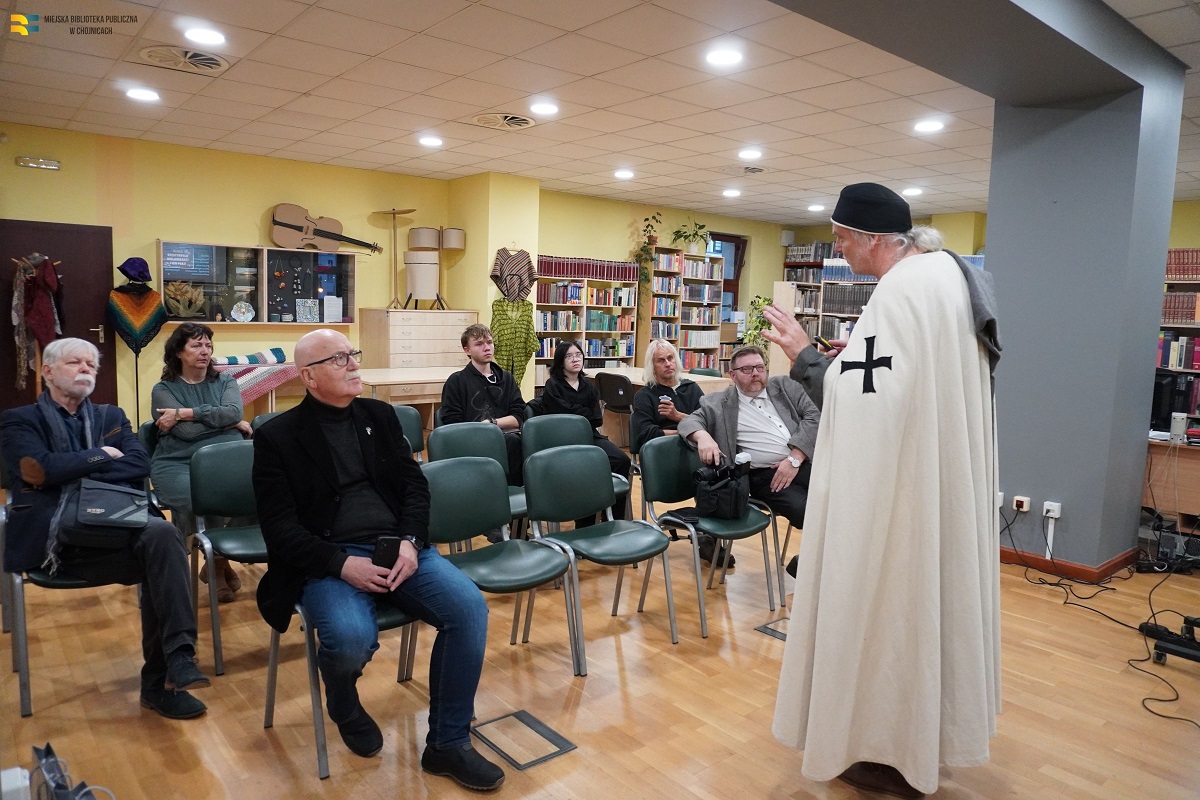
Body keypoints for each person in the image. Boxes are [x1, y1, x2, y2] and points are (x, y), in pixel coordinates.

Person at [766, 182, 1001, 798]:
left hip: (900, 496)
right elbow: (911, 376)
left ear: (873, 239)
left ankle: (888, 745)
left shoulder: (899, 289)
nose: (839, 251)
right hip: (933, 472)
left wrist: (806, 356)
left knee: (890, 603)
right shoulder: (948, 274)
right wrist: (853, 360)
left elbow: (867, 404)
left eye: (842, 239)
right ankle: (924, 734)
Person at [252, 329, 503, 792]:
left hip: (400, 547)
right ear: (308, 377)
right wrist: (341, 565)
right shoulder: (277, 436)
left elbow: (414, 487)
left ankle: (447, 744)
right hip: (331, 559)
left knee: (469, 610)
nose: (353, 364)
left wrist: (410, 541)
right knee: (350, 640)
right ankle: (343, 700)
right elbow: (280, 528)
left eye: (353, 354)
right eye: (338, 359)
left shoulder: (380, 416)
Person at [0, 338, 211, 720]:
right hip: (57, 548)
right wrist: (101, 455)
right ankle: (164, 679)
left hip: (116, 532)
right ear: (47, 371)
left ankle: (176, 661)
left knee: (162, 537)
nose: (86, 369)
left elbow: (139, 464)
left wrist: (71, 469)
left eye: (91, 364)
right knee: (162, 552)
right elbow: (38, 470)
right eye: (75, 362)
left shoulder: (111, 416)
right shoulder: (19, 420)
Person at [676, 345, 818, 566]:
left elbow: (815, 415)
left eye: (760, 368)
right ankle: (811, 566)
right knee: (807, 510)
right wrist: (703, 437)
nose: (755, 373)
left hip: (803, 461)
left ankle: (816, 563)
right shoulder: (717, 403)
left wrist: (795, 457)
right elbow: (689, 422)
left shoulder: (785, 387)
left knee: (841, 498)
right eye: (747, 369)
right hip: (764, 476)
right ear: (732, 375)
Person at [150, 322, 252, 603]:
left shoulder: (225, 381)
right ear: (178, 352)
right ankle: (218, 566)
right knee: (200, 498)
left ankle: (216, 563)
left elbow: (234, 411)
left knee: (255, 491)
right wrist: (227, 423)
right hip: (178, 462)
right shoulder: (163, 389)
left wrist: (185, 413)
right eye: (196, 345)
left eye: (208, 345)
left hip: (225, 459)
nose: (205, 351)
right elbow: (187, 433)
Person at [540, 339, 632, 526]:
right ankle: (584, 523)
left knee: (622, 460)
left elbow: (597, 418)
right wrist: (582, 413)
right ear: (560, 361)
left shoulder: (589, 386)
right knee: (585, 466)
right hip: (562, 440)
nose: (575, 359)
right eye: (569, 356)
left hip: (590, 436)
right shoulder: (553, 385)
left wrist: (574, 411)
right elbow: (560, 415)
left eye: (578, 355)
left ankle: (614, 519)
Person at [440, 323, 527, 484]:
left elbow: (519, 416)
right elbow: (452, 423)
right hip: (470, 442)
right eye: (479, 344)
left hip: (507, 440)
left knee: (515, 443)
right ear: (467, 350)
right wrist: (482, 430)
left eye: (489, 342)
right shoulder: (456, 381)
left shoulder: (506, 378)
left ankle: (513, 491)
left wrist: (491, 423)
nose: (487, 348)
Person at [630, 339, 705, 455]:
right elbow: (645, 434)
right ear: (652, 367)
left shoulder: (691, 388)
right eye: (661, 361)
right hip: (662, 451)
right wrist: (686, 434)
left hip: (696, 450)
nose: (668, 364)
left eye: (670, 358)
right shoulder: (645, 395)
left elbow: (706, 422)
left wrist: (677, 416)